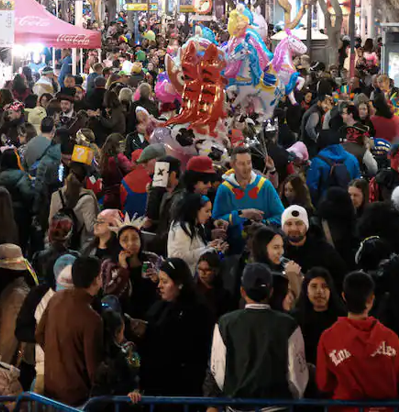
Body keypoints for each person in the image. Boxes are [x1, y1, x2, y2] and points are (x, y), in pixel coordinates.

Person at [208, 262, 308, 402]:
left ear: (242, 291)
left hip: (237, 407)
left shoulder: (225, 323)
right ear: (271, 291)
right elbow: (297, 377)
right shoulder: (288, 324)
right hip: (277, 406)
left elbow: (218, 372)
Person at [315, 270, 399, 408]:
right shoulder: (391, 338)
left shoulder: (328, 337)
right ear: (371, 299)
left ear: (344, 297)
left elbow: (324, 384)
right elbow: (396, 379)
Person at [132, 257, 213, 396]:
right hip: (156, 388)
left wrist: (149, 332)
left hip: (181, 390)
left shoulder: (198, 310)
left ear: (179, 284)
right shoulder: (160, 306)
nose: (159, 286)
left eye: (165, 281)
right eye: (160, 280)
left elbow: (184, 346)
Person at [36, 255, 104, 406]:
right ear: (97, 279)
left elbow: (39, 334)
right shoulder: (91, 319)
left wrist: (58, 358)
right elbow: (94, 369)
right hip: (76, 399)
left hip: (51, 391)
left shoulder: (56, 298)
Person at [212, 146, 285, 230]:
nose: (246, 168)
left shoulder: (265, 185)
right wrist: (241, 214)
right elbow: (217, 220)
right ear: (232, 165)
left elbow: (281, 216)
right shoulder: (224, 189)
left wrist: (263, 224)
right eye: (241, 164)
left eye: (248, 163)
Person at [282, 205, 346, 281]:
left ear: (306, 226)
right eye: (289, 224)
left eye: (299, 223)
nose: (294, 228)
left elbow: (341, 276)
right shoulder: (279, 250)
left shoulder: (323, 250)